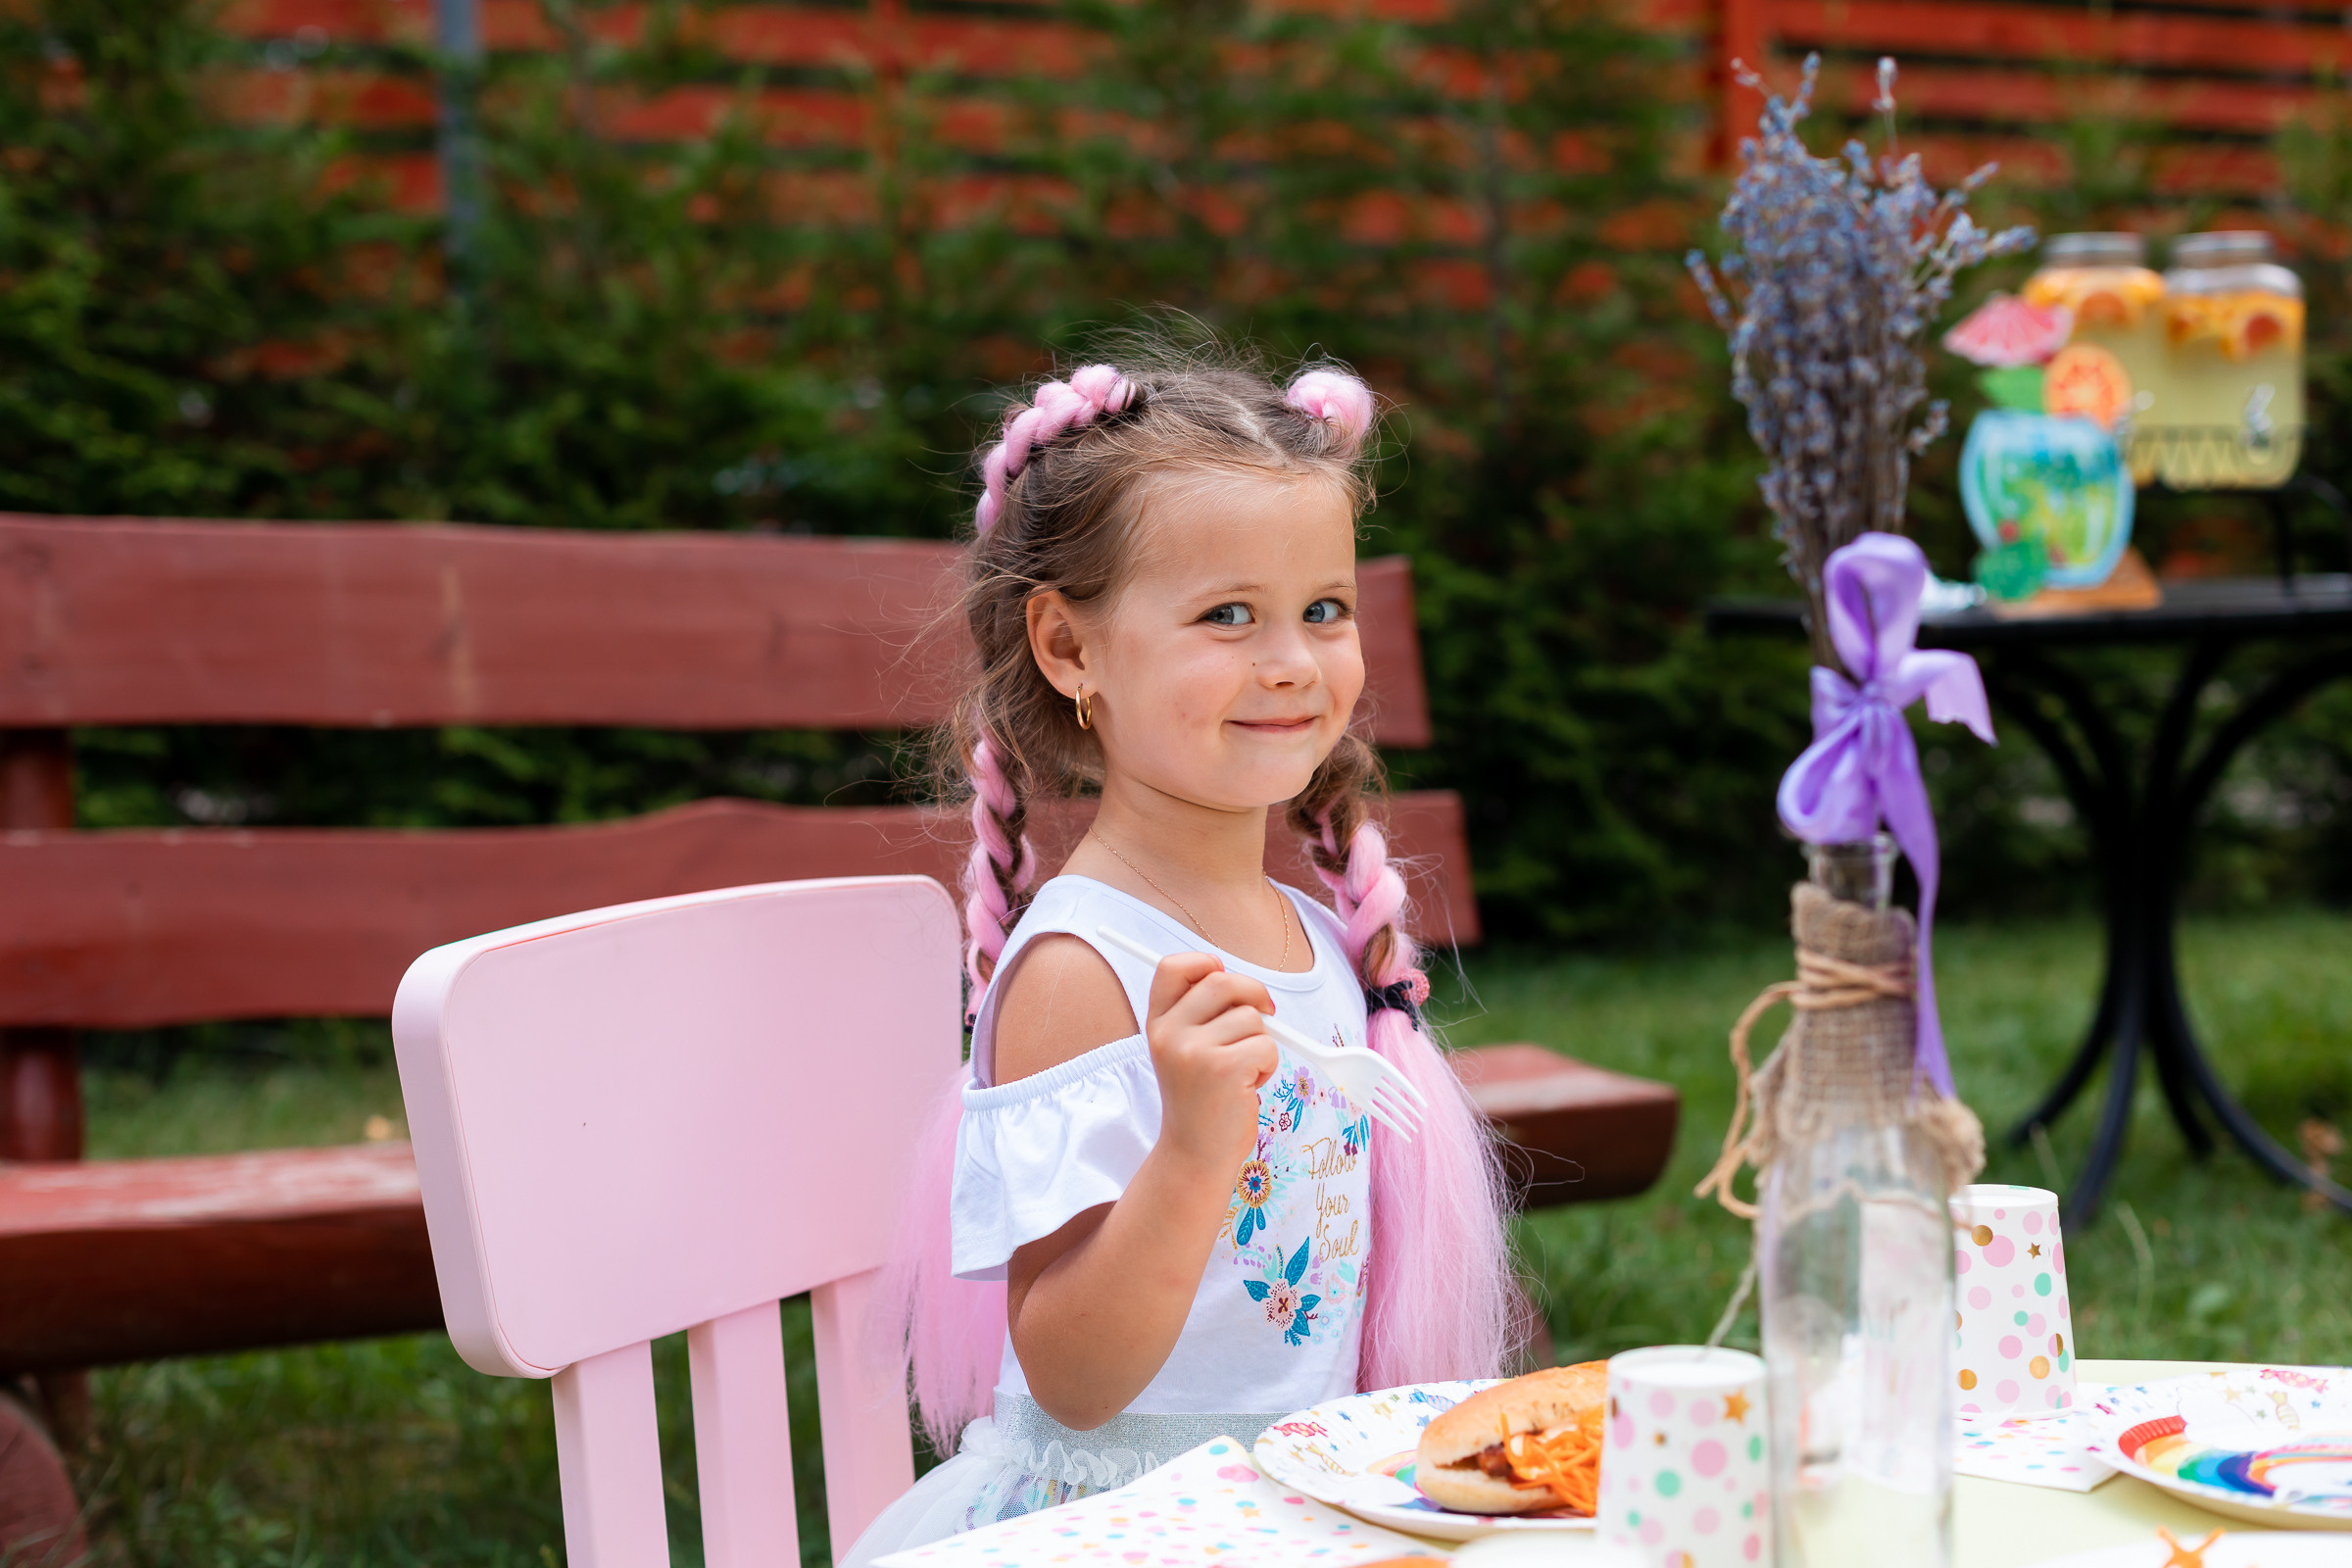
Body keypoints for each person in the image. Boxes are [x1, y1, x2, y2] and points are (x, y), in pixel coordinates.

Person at [846, 340, 1517, 1565]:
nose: (1290, 663)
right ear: (1070, 650)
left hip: (1281, 1513)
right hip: (1122, 1526)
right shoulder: (1079, 970)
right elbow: (1076, 1374)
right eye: (1227, 617)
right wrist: (1199, 1142)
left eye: (1323, 609)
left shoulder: (1314, 938)